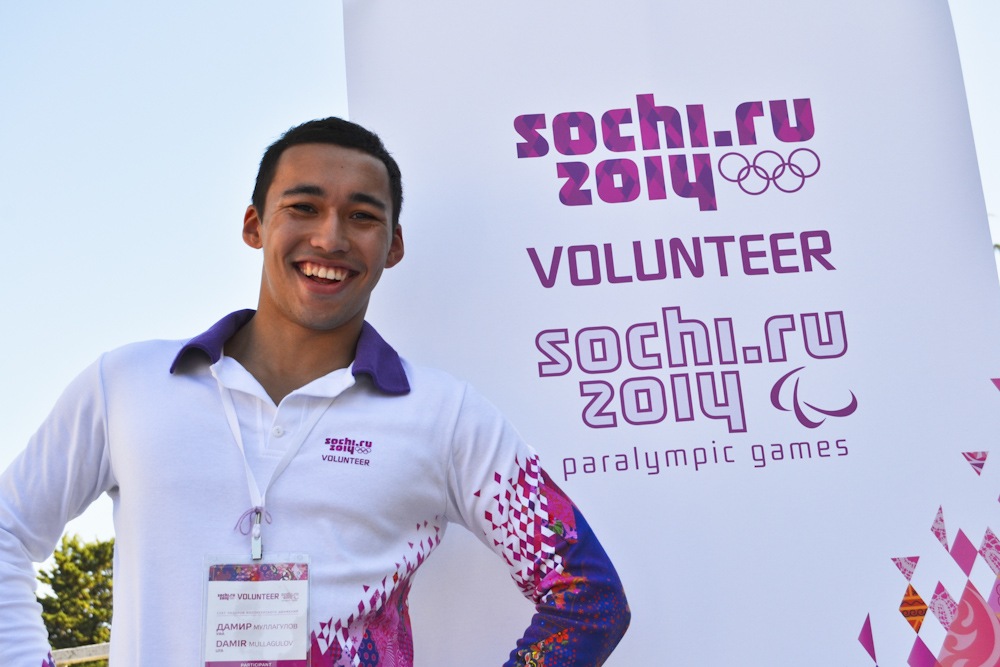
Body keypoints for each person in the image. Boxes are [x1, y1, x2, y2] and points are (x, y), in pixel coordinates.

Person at [0, 117, 629, 667]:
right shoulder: (127, 384)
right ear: (255, 225)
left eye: (362, 216)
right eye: (303, 207)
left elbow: (588, 596)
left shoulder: (446, 415)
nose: (330, 238)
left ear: (393, 245)